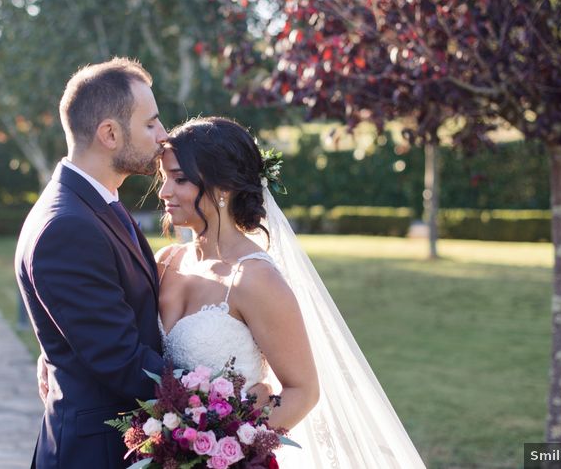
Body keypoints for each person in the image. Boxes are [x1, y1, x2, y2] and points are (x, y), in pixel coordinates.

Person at [156, 117, 426, 468]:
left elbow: (303, 390)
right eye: (163, 178)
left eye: (178, 179)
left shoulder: (254, 279)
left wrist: (227, 451)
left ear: (222, 187)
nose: (164, 192)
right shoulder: (166, 261)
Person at [14, 57, 168, 469]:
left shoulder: (96, 203)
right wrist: (223, 395)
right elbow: (123, 363)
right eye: (151, 124)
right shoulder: (67, 227)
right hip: (95, 452)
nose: (163, 135)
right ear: (110, 133)